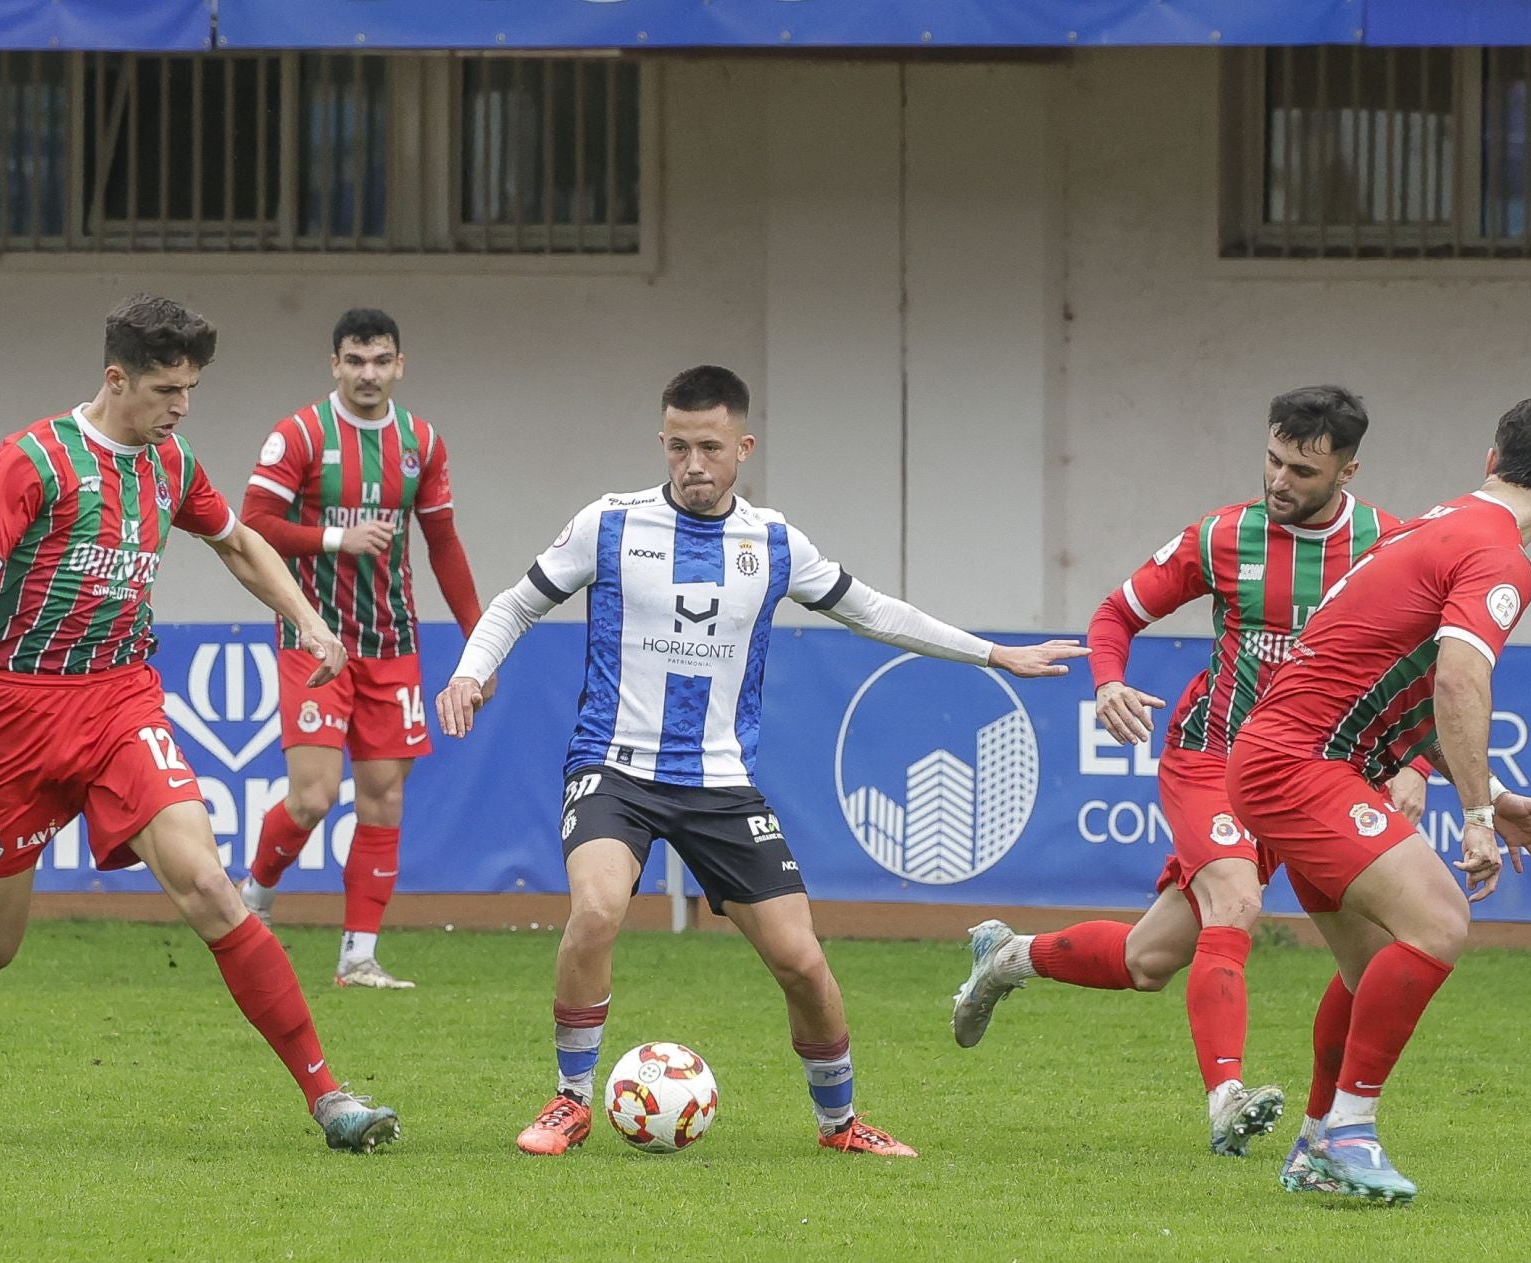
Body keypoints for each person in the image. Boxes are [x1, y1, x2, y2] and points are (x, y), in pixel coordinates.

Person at [434, 365, 1088, 1159]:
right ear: (663, 443)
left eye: (710, 446)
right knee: (597, 911)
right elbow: (516, 603)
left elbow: (874, 611)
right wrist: (471, 669)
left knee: (804, 964)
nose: (693, 464)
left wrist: (995, 656)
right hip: (614, 769)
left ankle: (839, 1126)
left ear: (743, 446)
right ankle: (570, 1100)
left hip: (719, 784)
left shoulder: (774, 543)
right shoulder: (609, 524)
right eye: (678, 446)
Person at [0, 295, 399, 1154]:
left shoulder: (171, 462)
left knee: (209, 885)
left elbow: (241, 543)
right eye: (168, 389)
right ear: (115, 378)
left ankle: (330, 1098)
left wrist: (308, 620)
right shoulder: (35, 461)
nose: (181, 407)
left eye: (191, 389)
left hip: (119, 702)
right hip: (16, 712)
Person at [950, 386, 1426, 1163]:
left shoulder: (1390, 545)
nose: (1279, 481)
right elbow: (1115, 614)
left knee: (1150, 961)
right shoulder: (1224, 536)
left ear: (1347, 469)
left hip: (1314, 775)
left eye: (1302, 472)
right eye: (1272, 460)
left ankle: (1006, 958)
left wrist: (1415, 758)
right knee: (1235, 900)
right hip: (1215, 757)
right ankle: (1227, 1101)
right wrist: (1107, 680)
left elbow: (1427, 656)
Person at [1227, 395, 1531, 1202]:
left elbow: (1397, 681)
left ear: (1491, 460)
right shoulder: (1499, 556)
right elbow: (1459, 679)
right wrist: (1476, 817)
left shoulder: (1438, 522)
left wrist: (1487, 787)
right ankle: (1350, 1135)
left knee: (1366, 967)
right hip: (1303, 764)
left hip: (1294, 759)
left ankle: (1318, 1143)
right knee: (1439, 922)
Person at [235, 307, 486, 990]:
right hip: (314, 638)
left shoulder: (422, 443)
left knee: (383, 801)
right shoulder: (299, 435)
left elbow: (443, 543)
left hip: (392, 644)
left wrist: (479, 639)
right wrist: (333, 539)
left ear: (399, 365)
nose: (368, 374)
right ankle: (254, 893)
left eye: (381, 361)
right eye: (355, 360)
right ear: (335, 364)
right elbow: (252, 524)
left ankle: (358, 957)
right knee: (312, 796)